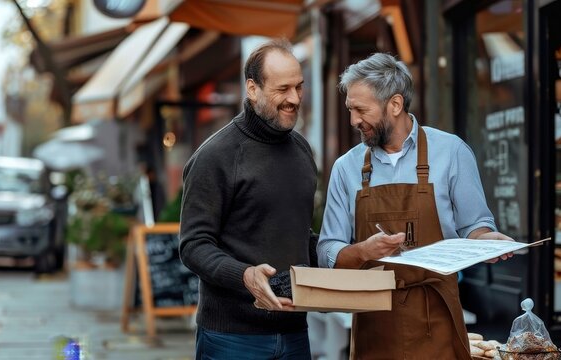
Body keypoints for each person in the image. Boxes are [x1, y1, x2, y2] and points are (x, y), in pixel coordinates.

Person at [317, 52, 513, 359]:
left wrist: (484, 241)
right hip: (374, 323)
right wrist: (363, 251)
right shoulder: (346, 167)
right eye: (350, 109)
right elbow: (327, 249)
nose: (353, 120)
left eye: (360, 109)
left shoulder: (451, 152)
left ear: (395, 105)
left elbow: (474, 225)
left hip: (438, 319)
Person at [179, 39, 317, 360]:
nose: (294, 98)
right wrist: (245, 276)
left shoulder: (301, 151)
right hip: (231, 338)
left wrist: (346, 254)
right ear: (252, 89)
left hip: (296, 333)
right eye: (282, 89)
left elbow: (297, 235)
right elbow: (193, 245)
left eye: (299, 87)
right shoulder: (215, 156)